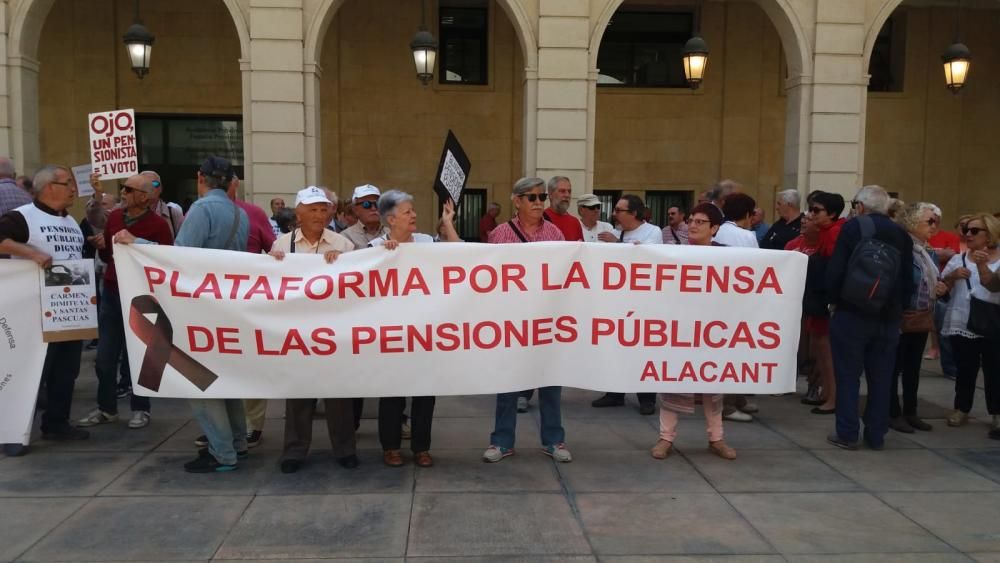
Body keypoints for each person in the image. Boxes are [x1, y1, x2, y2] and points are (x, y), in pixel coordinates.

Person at [267, 186, 358, 473]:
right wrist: (272, 266)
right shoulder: (282, 246)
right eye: (312, 209)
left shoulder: (342, 245)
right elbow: (269, 286)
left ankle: (345, 449)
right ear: (299, 213)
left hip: (333, 330)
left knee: (338, 396)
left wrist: (343, 266)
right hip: (298, 331)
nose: (319, 215)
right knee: (298, 394)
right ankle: (294, 451)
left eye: (323, 209)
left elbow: (357, 283)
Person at [370, 190, 461, 467]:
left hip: (424, 332)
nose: (414, 216)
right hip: (390, 334)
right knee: (392, 395)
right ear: (390, 219)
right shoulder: (373, 248)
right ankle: (391, 447)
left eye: (413, 211)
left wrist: (448, 223)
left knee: (424, 393)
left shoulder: (426, 242)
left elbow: (461, 256)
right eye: (408, 212)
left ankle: (421, 447)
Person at [0, 165, 88, 451]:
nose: (74, 189)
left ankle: (57, 423)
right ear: (49, 187)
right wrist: (32, 253)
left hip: (69, 310)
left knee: (66, 370)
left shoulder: (72, 222)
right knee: (31, 373)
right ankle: (14, 432)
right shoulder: (22, 217)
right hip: (33, 312)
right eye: (68, 184)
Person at [76, 175, 173, 431]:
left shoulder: (158, 224)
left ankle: (141, 408)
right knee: (104, 358)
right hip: (111, 291)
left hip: (141, 297)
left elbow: (167, 258)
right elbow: (108, 253)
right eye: (123, 189)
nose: (123, 193)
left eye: (129, 189)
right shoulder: (116, 217)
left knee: (139, 357)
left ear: (144, 196)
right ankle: (106, 408)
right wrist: (101, 246)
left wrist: (138, 243)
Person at [484, 177, 571, 463]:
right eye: (531, 197)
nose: (538, 203)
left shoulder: (555, 233)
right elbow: (488, 275)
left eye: (541, 197)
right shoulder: (499, 234)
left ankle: (554, 441)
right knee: (508, 384)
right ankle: (502, 441)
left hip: (547, 320)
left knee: (550, 383)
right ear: (517, 201)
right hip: (512, 321)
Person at [175, 156, 249, 473]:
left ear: (200, 178)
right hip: (227, 306)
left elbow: (178, 256)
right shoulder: (239, 213)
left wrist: (138, 244)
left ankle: (223, 453)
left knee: (201, 383)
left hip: (200, 307)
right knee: (227, 380)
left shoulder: (202, 210)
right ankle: (238, 442)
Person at [826, 185, 913, 451]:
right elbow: (908, 279)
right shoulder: (902, 234)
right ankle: (876, 435)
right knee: (882, 377)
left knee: (848, 375)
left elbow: (837, 270)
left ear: (860, 207)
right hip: (888, 317)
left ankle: (847, 433)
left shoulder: (853, 228)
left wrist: (832, 301)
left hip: (852, 312)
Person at [650, 202, 737, 461]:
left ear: (715, 228)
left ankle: (716, 438)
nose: (694, 226)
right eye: (692, 221)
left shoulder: (730, 257)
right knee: (673, 383)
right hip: (679, 330)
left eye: (701, 222)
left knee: (713, 386)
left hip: (713, 331)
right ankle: (665, 438)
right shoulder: (674, 254)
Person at [592, 194, 659, 414]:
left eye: (619, 210)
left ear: (634, 213)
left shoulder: (652, 232)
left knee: (643, 350)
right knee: (616, 348)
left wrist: (617, 245)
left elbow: (648, 259)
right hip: (618, 301)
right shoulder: (618, 232)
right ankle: (614, 392)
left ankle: (646, 398)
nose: (614, 214)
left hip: (644, 303)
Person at [939, 213, 1000, 436]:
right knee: (965, 369)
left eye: (975, 231)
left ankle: (997, 412)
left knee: (995, 370)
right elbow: (943, 288)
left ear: (990, 234)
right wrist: (952, 276)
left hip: (993, 322)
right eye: (966, 230)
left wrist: (983, 265)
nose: (968, 234)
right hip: (963, 321)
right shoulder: (959, 259)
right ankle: (961, 408)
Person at [888, 203, 945, 434]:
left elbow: (930, 281)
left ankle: (911, 411)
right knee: (894, 367)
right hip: (903, 315)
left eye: (936, 221)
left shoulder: (928, 251)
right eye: (929, 221)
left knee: (913, 367)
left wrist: (941, 286)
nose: (934, 226)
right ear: (913, 222)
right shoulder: (902, 246)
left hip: (921, 316)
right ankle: (892, 412)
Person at [801, 191, 846, 413]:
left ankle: (833, 397)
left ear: (832, 213)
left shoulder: (835, 233)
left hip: (826, 301)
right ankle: (828, 393)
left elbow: (834, 270)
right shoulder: (828, 232)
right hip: (822, 299)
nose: (811, 214)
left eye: (816, 210)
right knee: (821, 348)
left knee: (827, 350)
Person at [926, 205, 961, 374]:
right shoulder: (920, 236)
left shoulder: (949, 236)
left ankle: (949, 366)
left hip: (942, 285)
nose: (931, 224)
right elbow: (941, 255)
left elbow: (951, 254)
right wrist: (938, 253)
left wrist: (929, 252)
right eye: (928, 220)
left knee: (942, 325)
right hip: (925, 285)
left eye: (933, 219)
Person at [342, 184, 389, 250]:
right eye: (366, 204)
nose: (373, 208)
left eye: (377, 203)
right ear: (355, 209)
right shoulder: (346, 237)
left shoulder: (393, 232)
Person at [543, 176, 583, 242]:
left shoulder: (575, 222)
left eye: (569, 191)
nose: (567, 195)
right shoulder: (540, 219)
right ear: (550, 194)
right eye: (562, 191)